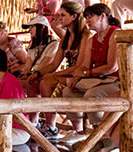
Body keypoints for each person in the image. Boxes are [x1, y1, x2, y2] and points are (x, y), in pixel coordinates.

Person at [28, 1, 93, 142]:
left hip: (84, 74)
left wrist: (54, 75)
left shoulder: (86, 36)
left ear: (74, 16)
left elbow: (80, 65)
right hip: (71, 73)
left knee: (46, 82)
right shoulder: (67, 38)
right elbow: (54, 64)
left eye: (63, 15)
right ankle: (45, 124)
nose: (60, 18)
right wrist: (38, 73)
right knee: (38, 81)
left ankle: (56, 127)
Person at [60, 3, 121, 148]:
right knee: (68, 91)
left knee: (93, 94)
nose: (87, 20)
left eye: (90, 16)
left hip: (116, 80)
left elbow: (112, 67)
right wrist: (77, 77)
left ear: (103, 16)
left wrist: (86, 73)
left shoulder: (115, 34)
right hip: (99, 79)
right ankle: (79, 131)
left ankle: (100, 134)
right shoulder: (91, 40)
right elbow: (84, 66)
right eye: (86, 17)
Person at [19, 16, 60, 126]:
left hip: (46, 75)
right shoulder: (33, 44)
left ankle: (42, 122)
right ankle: (27, 119)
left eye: (32, 27)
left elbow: (45, 66)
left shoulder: (53, 43)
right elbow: (28, 65)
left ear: (41, 27)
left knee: (32, 83)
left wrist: (31, 74)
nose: (30, 30)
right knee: (16, 82)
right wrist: (24, 73)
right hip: (35, 74)